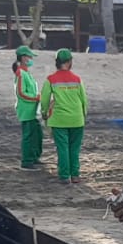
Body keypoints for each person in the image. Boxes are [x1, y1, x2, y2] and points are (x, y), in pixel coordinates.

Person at [41, 48, 87, 184]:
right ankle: (75, 175)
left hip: (59, 119)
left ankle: (64, 175)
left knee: (63, 148)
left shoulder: (51, 79)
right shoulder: (77, 79)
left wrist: (44, 114)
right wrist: (83, 115)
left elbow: (44, 100)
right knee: (74, 148)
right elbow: (84, 100)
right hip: (77, 119)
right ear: (69, 62)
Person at [12, 45, 43, 171]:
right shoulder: (20, 73)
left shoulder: (25, 73)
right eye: (29, 56)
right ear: (24, 58)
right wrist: (35, 98)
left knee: (36, 133)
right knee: (28, 135)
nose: (31, 59)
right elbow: (21, 93)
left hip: (32, 109)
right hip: (26, 109)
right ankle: (27, 161)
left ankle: (34, 157)